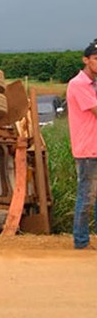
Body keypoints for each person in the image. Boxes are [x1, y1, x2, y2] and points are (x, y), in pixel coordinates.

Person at [66, 38, 97, 249]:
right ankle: (81, 241)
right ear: (86, 60)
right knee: (86, 196)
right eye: (96, 58)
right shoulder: (78, 84)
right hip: (87, 148)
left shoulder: (93, 84)